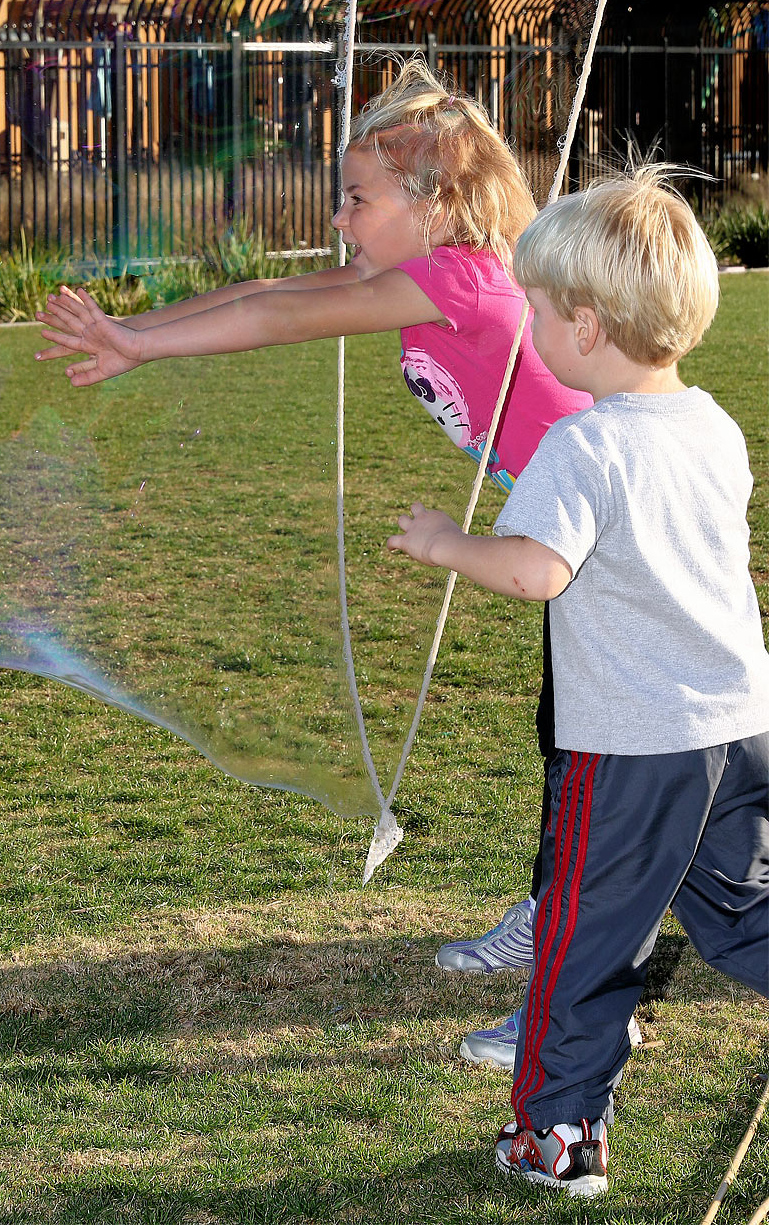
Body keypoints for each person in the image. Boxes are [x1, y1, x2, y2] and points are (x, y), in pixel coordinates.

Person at [36, 58, 594, 1066]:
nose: (339, 215)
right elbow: (267, 288)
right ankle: (562, 912)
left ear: (438, 205)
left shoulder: (455, 279)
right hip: (574, 532)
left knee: (607, 761)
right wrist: (131, 338)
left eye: (357, 197)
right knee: (585, 746)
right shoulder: (433, 269)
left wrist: (142, 344)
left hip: (608, 536)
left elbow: (277, 318)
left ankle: (585, 974)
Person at [387, 166, 769, 1198]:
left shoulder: (582, 442)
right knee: (740, 914)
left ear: (588, 327)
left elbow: (533, 570)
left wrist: (444, 542)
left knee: (580, 942)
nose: (530, 333)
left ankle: (557, 1134)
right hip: (737, 728)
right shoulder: (714, 425)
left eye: (540, 313)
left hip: (635, 750)